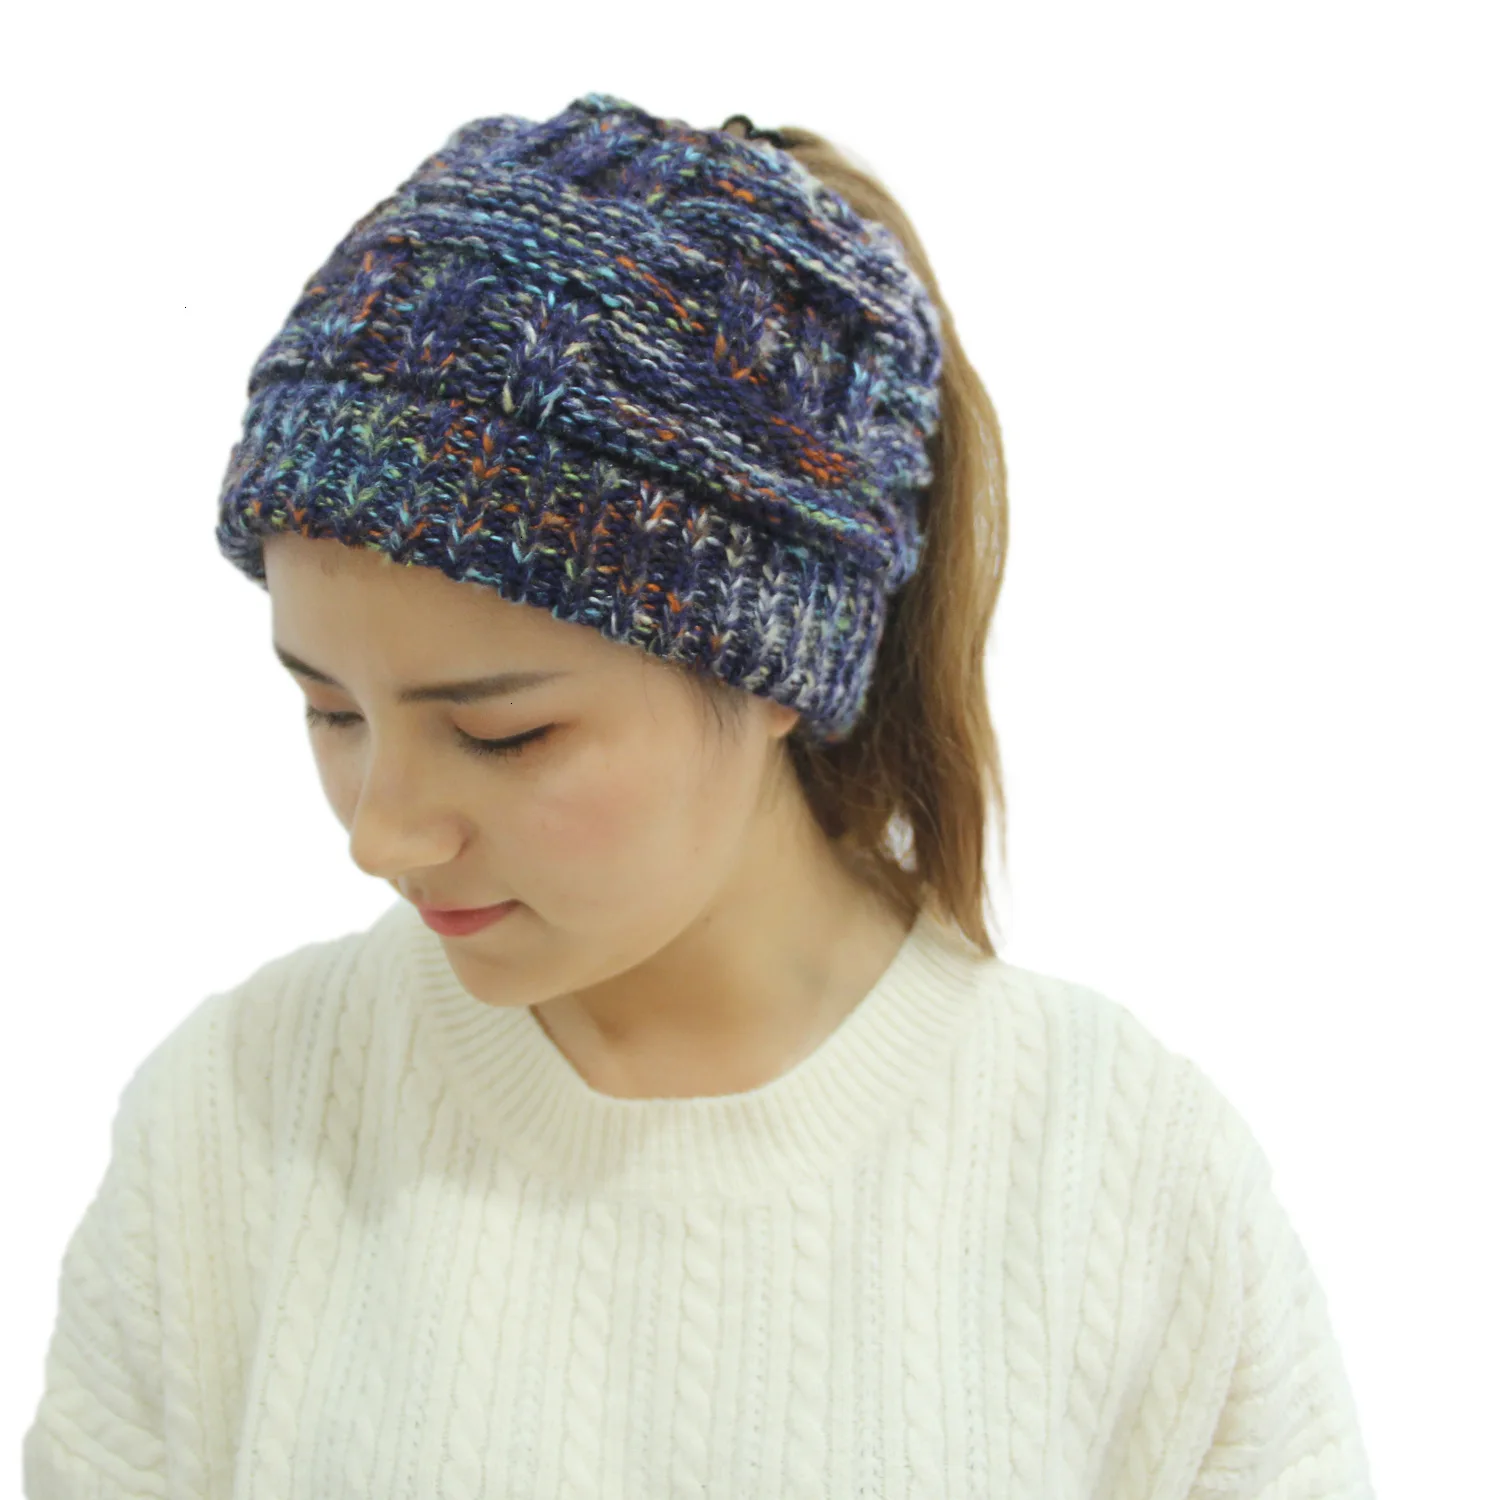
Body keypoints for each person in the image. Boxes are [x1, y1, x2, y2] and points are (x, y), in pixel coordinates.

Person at [22, 93, 1374, 1498]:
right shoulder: (235, 1124)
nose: (381, 833)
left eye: (502, 734)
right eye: (330, 711)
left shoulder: (1127, 1180)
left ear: (778, 663)